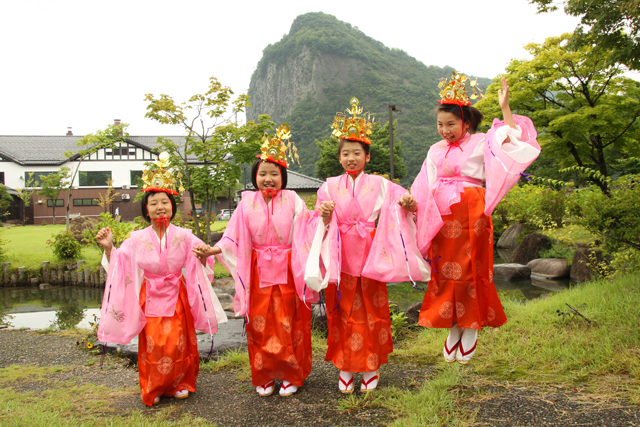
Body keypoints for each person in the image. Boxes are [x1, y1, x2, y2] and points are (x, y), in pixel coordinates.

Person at [410, 73, 540, 364]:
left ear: (465, 122)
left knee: (471, 268)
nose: (445, 130)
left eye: (451, 124)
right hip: (441, 216)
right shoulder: (434, 150)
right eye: (440, 125)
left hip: (472, 213)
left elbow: (512, 140)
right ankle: (453, 326)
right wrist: (412, 205)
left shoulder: (483, 141)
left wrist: (505, 108)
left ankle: (470, 326)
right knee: (445, 271)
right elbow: (423, 184)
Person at [303, 97, 430, 394]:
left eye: (356, 153)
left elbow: (405, 205)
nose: (351, 158)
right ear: (339, 158)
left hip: (373, 257)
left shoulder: (383, 185)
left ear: (367, 157)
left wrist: (409, 203)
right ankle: (346, 366)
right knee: (341, 313)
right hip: (340, 257)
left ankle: (371, 365)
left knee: (372, 312)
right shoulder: (329, 186)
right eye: (345, 153)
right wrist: (322, 214)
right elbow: (315, 222)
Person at [96, 152, 227, 406]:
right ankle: (154, 385)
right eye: (154, 203)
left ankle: (179, 382)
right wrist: (110, 248)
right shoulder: (136, 238)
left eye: (165, 202)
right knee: (154, 343)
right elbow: (120, 265)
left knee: (178, 339)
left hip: (177, 293)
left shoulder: (185, 235)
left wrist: (205, 255)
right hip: (150, 295)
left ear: (172, 206)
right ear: (146, 208)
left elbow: (205, 256)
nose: (160, 207)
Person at [211, 125, 316, 397]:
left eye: (274, 174)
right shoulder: (246, 203)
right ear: (254, 176)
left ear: (283, 177)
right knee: (260, 323)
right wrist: (214, 251)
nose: (268, 179)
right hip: (257, 270)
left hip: (290, 269)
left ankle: (292, 374)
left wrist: (324, 218)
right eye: (263, 173)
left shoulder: (293, 199)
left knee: (289, 322)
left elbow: (308, 230)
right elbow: (231, 237)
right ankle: (264, 375)